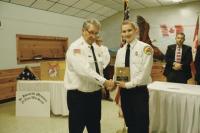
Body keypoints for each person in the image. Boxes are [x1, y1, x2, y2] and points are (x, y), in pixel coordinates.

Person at [64, 19, 115, 133]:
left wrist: (101, 46)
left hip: (94, 96)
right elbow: (85, 71)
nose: (93, 36)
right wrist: (104, 82)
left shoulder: (96, 48)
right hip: (78, 97)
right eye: (91, 32)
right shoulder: (75, 48)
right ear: (83, 31)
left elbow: (104, 63)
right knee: (76, 128)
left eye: (96, 33)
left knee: (95, 126)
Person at [114, 20, 153, 133]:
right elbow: (117, 71)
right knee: (130, 122)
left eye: (129, 30)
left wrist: (128, 84)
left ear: (136, 31)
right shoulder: (120, 51)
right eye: (124, 31)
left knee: (141, 123)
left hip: (139, 92)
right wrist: (114, 81)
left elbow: (144, 74)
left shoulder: (146, 48)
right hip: (125, 92)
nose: (127, 33)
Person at [95, 36, 113, 101]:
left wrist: (103, 66)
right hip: (97, 68)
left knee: (107, 80)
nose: (99, 41)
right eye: (98, 40)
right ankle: (100, 96)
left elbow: (107, 57)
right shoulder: (94, 48)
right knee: (98, 81)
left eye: (100, 40)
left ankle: (107, 96)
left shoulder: (105, 48)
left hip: (105, 67)